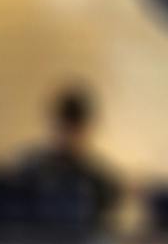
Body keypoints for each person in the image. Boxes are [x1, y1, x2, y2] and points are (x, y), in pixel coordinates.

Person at [18, 85, 119, 222]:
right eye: (63, 129)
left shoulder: (98, 180)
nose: (67, 137)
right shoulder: (30, 169)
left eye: (73, 130)